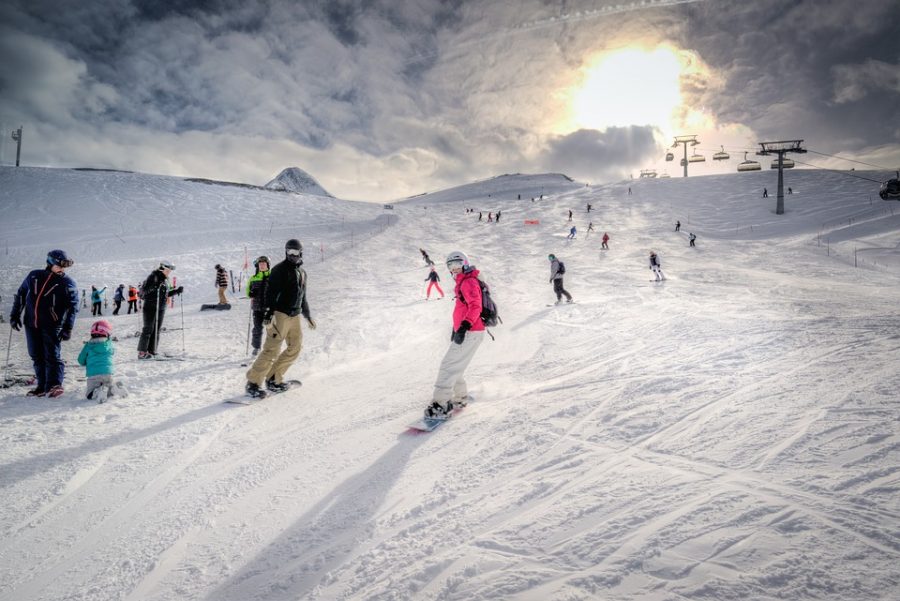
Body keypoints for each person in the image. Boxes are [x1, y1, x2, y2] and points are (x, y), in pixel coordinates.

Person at [245, 239, 317, 397]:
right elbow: (270, 293)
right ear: (286, 252)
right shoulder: (279, 269)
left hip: (295, 315)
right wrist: (269, 313)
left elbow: (303, 297)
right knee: (272, 349)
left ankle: (273, 378)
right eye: (289, 252)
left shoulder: (302, 273)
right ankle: (253, 383)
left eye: (295, 252)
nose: (292, 255)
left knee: (295, 347)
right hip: (280, 314)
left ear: (301, 253)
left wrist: (308, 315)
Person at [8, 249, 79, 397]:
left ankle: (54, 385)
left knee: (52, 355)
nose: (62, 268)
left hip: (52, 324)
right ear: (51, 262)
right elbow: (21, 294)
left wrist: (68, 327)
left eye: (65, 265)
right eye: (60, 264)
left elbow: (73, 307)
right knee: (36, 354)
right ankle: (42, 386)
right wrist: (15, 315)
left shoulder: (67, 283)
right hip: (31, 323)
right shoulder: (34, 275)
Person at [424, 251, 486, 419]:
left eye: (457, 264)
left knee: (448, 366)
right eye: (451, 266)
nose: (454, 268)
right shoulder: (463, 282)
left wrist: (464, 326)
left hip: (470, 331)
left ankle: (441, 405)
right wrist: (456, 328)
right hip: (468, 330)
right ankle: (460, 398)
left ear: (465, 263)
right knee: (455, 366)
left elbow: (475, 306)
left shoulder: (468, 282)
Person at [137, 261, 183, 359]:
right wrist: (154, 286)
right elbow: (145, 291)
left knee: (156, 330)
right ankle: (142, 352)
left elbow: (165, 294)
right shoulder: (153, 277)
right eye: (168, 269)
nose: (169, 271)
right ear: (162, 268)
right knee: (148, 329)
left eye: (170, 270)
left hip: (161, 307)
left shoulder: (166, 280)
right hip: (150, 307)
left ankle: (152, 351)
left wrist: (177, 291)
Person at [77, 320, 125, 402]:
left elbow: (81, 360)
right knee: (107, 389)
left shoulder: (88, 346)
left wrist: (85, 362)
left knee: (89, 394)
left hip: (93, 375)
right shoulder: (109, 344)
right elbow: (112, 352)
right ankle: (114, 388)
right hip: (107, 373)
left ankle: (98, 391)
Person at [246, 255, 271, 356]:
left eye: (264, 264)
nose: (262, 266)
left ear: (268, 265)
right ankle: (256, 347)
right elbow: (248, 292)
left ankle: (270, 349)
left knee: (271, 329)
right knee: (257, 328)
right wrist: (251, 293)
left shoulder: (273, 276)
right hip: (257, 308)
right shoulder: (253, 278)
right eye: (260, 264)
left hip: (270, 308)